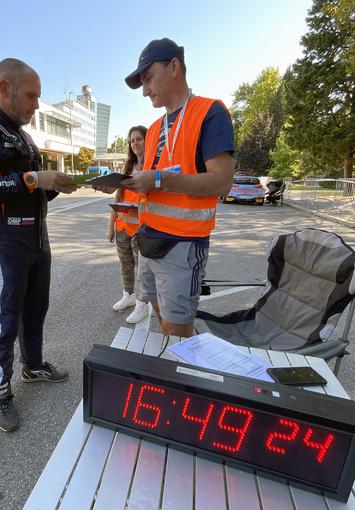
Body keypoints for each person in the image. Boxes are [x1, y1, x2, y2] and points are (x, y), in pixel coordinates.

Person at [0, 58, 77, 433]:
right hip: (4, 243)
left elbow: (30, 190)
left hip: (37, 239)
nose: (36, 105)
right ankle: (1, 389)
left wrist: (52, 185)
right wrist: (34, 178)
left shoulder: (23, 136)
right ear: (4, 88)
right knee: (5, 320)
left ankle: (33, 366)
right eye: (31, 96)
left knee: (36, 311)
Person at [122, 38, 235, 338]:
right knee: (160, 315)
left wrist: (159, 180)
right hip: (148, 241)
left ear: (174, 66)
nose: (145, 90)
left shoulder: (210, 112)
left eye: (148, 78)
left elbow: (223, 182)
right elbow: (152, 181)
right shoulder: (156, 126)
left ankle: (186, 379)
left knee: (177, 331)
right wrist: (128, 185)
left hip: (182, 246)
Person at [106, 126, 148, 324]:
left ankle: (142, 304)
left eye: (139, 139)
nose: (135, 143)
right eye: (132, 140)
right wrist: (110, 225)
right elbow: (118, 196)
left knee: (143, 268)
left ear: (148, 140)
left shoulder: (152, 166)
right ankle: (128, 295)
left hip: (142, 227)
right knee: (125, 264)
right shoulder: (128, 166)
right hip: (122, 226)